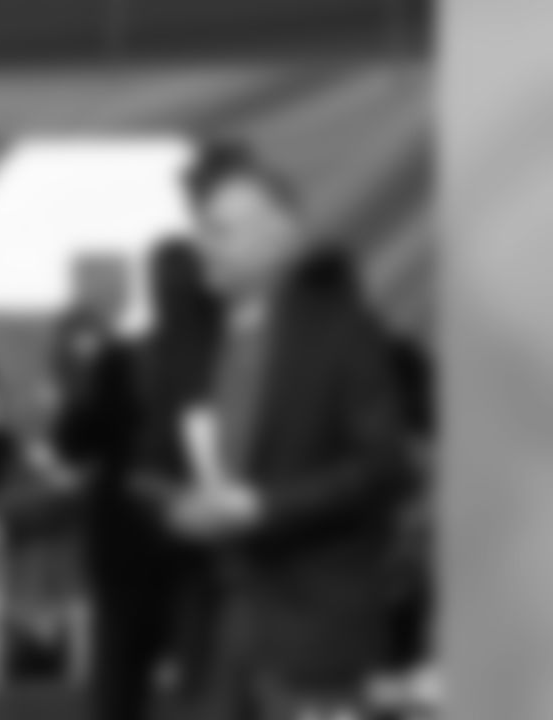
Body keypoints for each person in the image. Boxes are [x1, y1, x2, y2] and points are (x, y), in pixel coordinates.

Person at [134, 141, 411, 720]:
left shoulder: (340, 332)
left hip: (316, 630)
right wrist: (181, 507)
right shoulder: (199, 337)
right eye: (201, 229)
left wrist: (262, 506)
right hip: (222, 623)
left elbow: (383, 466)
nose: (204, 245)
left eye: (221, 230)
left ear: (279, 234)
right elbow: (184, 457)